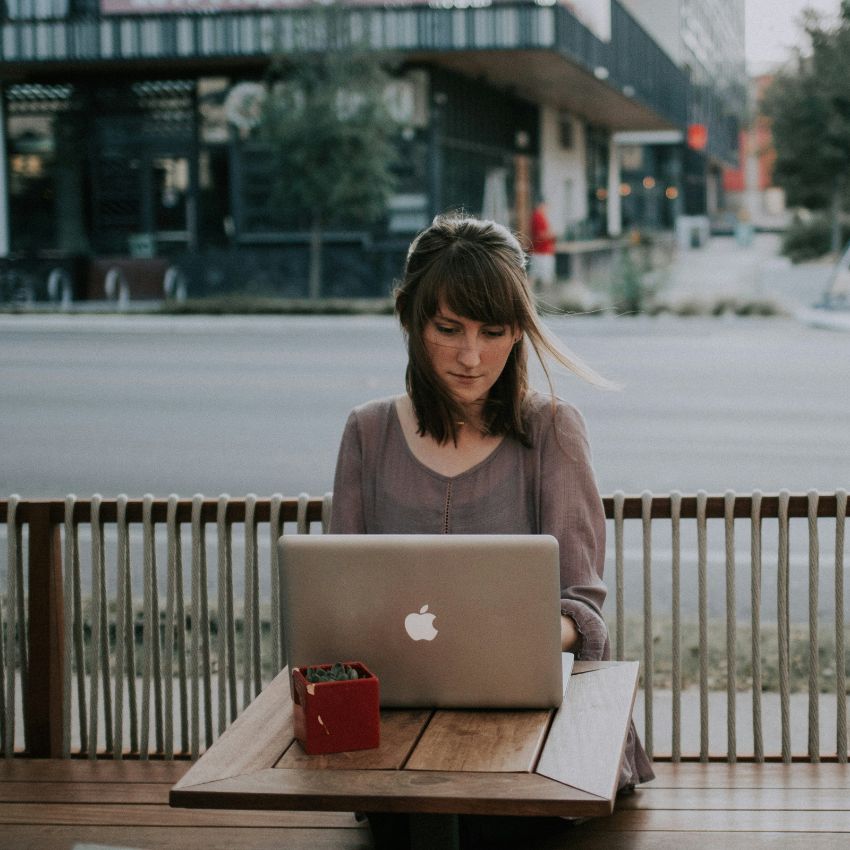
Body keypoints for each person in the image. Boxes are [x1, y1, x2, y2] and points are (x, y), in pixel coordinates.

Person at [329, 214, 652, 848]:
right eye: (448, 329)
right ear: (410, 320)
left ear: (519, 333)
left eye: (493, 331)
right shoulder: (368, 433)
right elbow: (337, 600)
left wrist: (499, 636)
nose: (471, 357)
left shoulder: (553, 430)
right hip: (397, 733)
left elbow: (583, 612)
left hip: (536, 735)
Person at [529, 198, 557, 292]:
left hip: (542, 251)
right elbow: (541, 235)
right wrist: (552, 234)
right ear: (542, 205)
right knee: (544, 277)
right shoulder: (538, 217)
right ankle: (546, 296)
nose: (547, 209)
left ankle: (532, 295)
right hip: (541, 252)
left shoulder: (540, 216)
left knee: (535, 275)